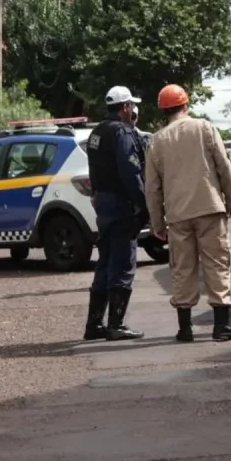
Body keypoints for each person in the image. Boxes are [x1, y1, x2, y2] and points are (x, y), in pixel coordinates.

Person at [145, 84, 231, 343]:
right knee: (217, 264)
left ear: (163, 111)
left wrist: (157, 223)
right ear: (186, 105)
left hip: (178, 215)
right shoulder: (204, 128)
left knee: (183, 269)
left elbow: (152, 188)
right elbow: (224, 166)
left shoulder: (157, 141)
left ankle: (185, 329)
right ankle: (222, 327)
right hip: (209, 208)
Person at [83, 86, 147, 341]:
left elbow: (94, 169)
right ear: (125, 107)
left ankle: (94, 324)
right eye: (131, 105)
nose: (133, 110)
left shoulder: (96, 132)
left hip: (103, 203)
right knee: (122, 263)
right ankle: (115, 325)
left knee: (106, 262)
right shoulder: (122, 132)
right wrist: (143, 204)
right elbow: (130, 172)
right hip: (120, 204)